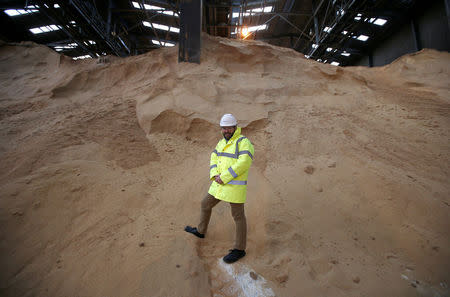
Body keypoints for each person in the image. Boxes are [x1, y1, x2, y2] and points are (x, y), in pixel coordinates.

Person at [185, 113, 255, 263]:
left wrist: (224, 177)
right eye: (223, 128)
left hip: (234, 187)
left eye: (228, 128)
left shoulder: (243, 142)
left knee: (238, 216)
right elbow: (214, 157)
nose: (226, 131)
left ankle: (240, 249)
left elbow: (244, 163)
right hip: (219, 184)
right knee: (205, 204)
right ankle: (200, 231)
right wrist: (215, 174)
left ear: (235, 127)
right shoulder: (221, 143)